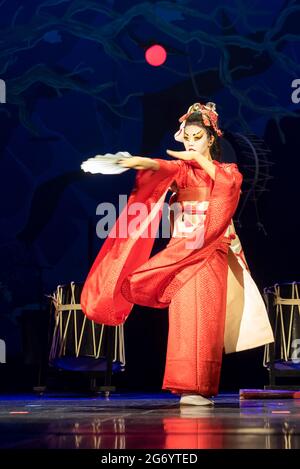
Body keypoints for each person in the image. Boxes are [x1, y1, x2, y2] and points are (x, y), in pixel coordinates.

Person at [81, 102, 274, 405]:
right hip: (181, 254)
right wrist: (135, 162)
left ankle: (203, 385)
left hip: (210, 251)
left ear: (212, 139)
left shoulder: (227, 171)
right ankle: (186, 385)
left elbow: (229, 188)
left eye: (197, 137)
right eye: (187, 136)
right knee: (185, 320)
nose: (190, 143)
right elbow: (162, 167)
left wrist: (197, 159)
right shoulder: (183, 170)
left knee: (206, 320)